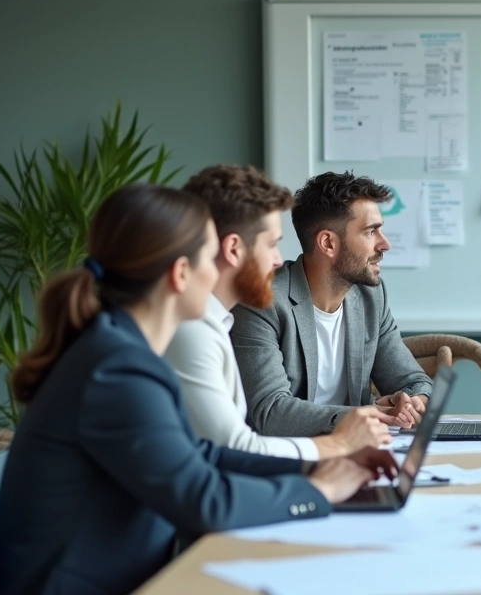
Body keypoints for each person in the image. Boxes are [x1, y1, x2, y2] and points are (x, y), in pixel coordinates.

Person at [0, 185, 394, 595]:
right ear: (181, 274)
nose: (218, 274)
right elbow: (206, 500)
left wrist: (315, 468)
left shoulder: (122, 350)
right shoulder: (117, 369)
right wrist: (318, 490)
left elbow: (203, 456)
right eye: (209, 258)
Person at [233, 172, 481, 436]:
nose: (385, 244)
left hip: (359, 451)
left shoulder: (370, 297)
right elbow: (270, 412)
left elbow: (413, 380)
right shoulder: (262, 302)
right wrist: (367, 415)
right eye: (371, 232)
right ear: (328, 243)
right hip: (289, 459)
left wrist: (412, 402)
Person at [165, 165, 392, 461]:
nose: (277, 261)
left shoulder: (215, 321)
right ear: (233, 249)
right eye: (272, 245)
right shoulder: (192, 329)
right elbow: (235, 447)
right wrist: (339, 446)